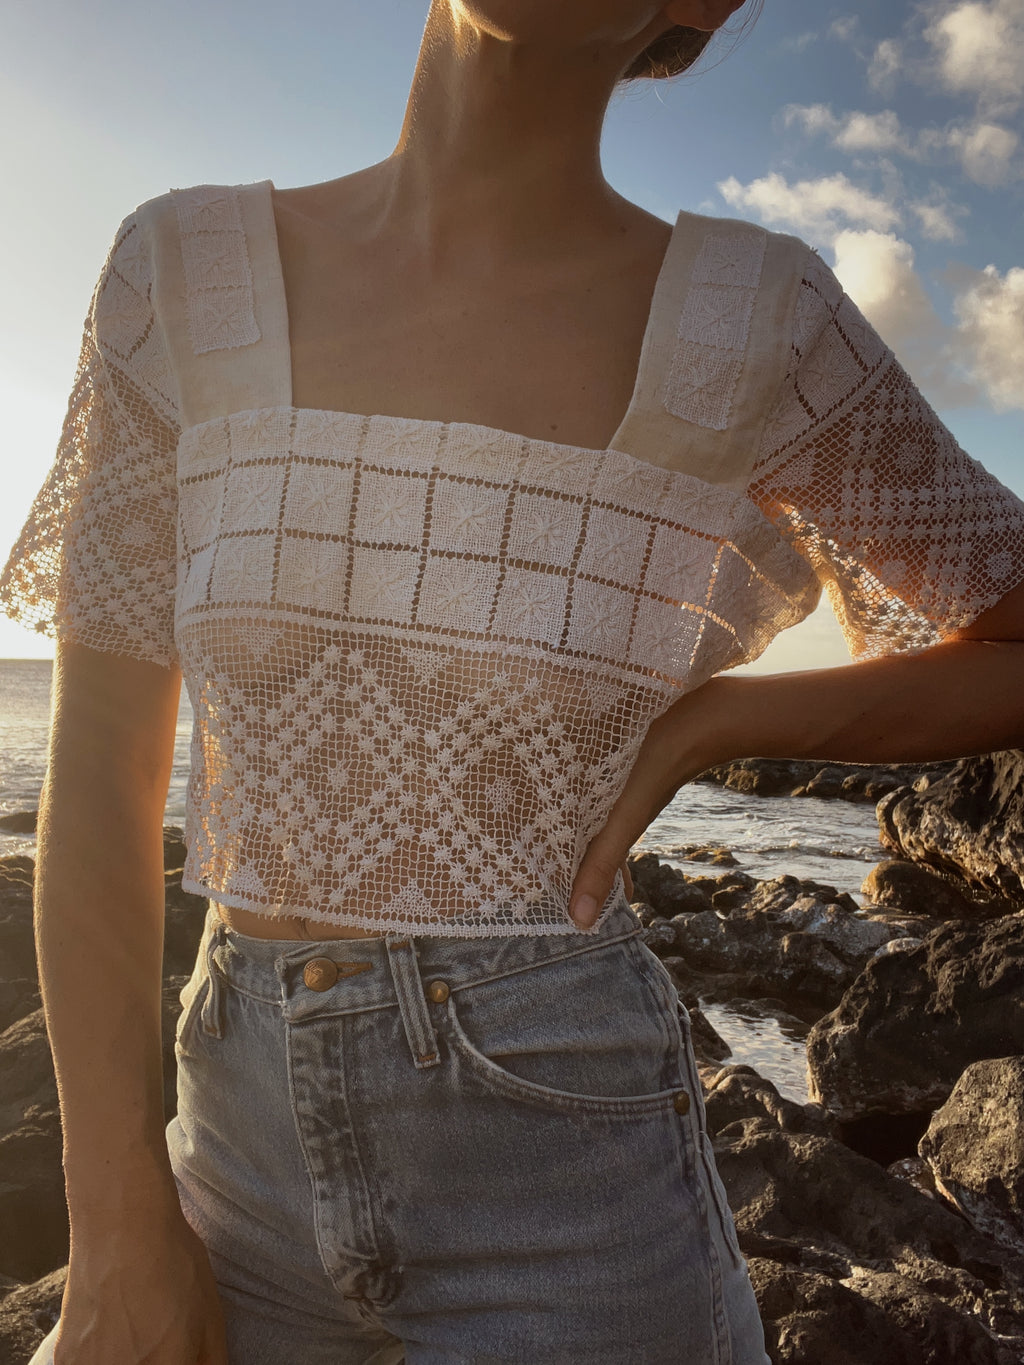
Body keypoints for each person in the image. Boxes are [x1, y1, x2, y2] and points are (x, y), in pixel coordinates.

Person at [6, 1, 1024, 1362]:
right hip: (235, 1143)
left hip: (570, 1167)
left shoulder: (759, 321)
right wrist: (116, 1221)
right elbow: (102, 781)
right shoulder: (178, 275)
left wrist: (722, 720)